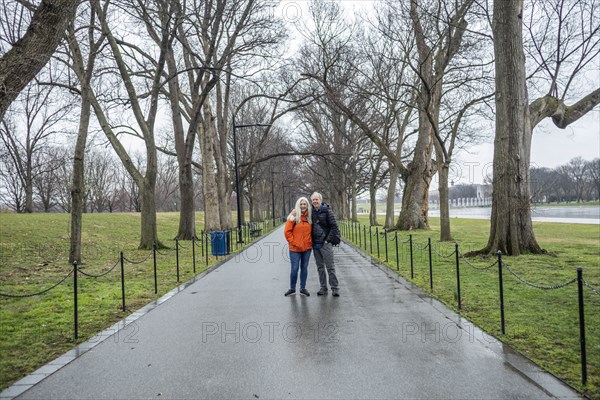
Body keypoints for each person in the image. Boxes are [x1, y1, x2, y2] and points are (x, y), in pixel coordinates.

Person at [310, 192, 340, 296]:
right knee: (320, 267)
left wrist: (328, 240)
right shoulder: (312, 212)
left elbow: (334, 226)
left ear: (320, 200)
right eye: (313, 200)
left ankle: (335, 288)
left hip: (325, 243)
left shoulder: (327, 210)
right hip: (315, 244)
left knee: (330, 267)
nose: (315, 201)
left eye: (316, 199)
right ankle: (323, 288)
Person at [283, 197, 313, 297]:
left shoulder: (310, 217)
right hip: (295, 249)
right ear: (298, 205)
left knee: (304, 268)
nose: (303, 206)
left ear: (307, 205)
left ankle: (303, 288)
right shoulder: (293, 217)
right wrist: (294, 242)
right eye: (301, 204)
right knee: (294, 268)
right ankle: (292, 288)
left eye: (304, 204)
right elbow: (287, 232)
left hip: (307, 248)